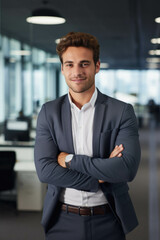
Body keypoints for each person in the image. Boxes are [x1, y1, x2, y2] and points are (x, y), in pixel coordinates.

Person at [34, 32, 141, 240]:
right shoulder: (49, 112)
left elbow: (126, 169)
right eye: (69, 64)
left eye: (84, 64)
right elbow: (45, 171)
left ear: (96, 66)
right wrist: (100, 176)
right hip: (61, 220)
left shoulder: (121, 111)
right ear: (63, 68)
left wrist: (69, 160)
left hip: (109, 219)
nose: (77, 72)